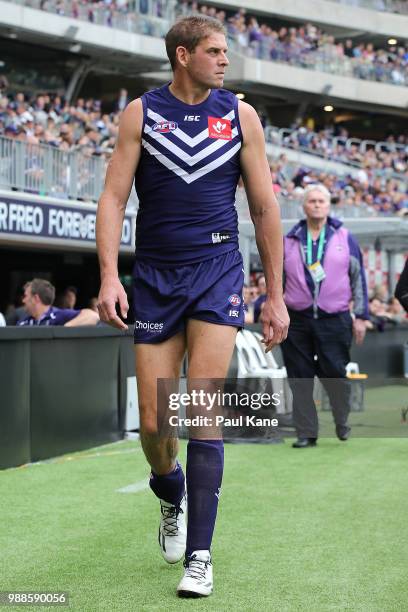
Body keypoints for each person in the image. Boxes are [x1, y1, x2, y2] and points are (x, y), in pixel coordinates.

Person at [95, 15, 289, 599]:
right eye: (214, 51)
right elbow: (111, 196)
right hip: (154, 275)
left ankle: (200, 557)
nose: (224, 60)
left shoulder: (239, 115)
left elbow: (263, 207)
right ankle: (169, 490)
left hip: (217, 271)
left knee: (202, 407)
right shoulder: (142, 113)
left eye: (225, 51)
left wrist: (274, 294)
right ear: (183, 56)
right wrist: (109, 276)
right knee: (156, 424)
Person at [281, 184, 368, 448]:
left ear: (329, 206)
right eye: (312, 201)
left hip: (335, 317)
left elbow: (358, 278)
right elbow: (277, 277)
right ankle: (306, 433)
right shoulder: (290, 238)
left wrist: (362, 316)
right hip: (296, 319)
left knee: (334, 374)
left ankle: (342, 419)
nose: (317, 205)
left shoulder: (344, 236)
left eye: (321, 201)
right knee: (300, 377)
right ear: (304, 206)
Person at [18, 279, 99, 327]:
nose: (23, 300)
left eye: (25, 296)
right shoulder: (24, 321)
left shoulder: (58, 315)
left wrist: (64, 329)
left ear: (36, 298)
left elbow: (93, 316)